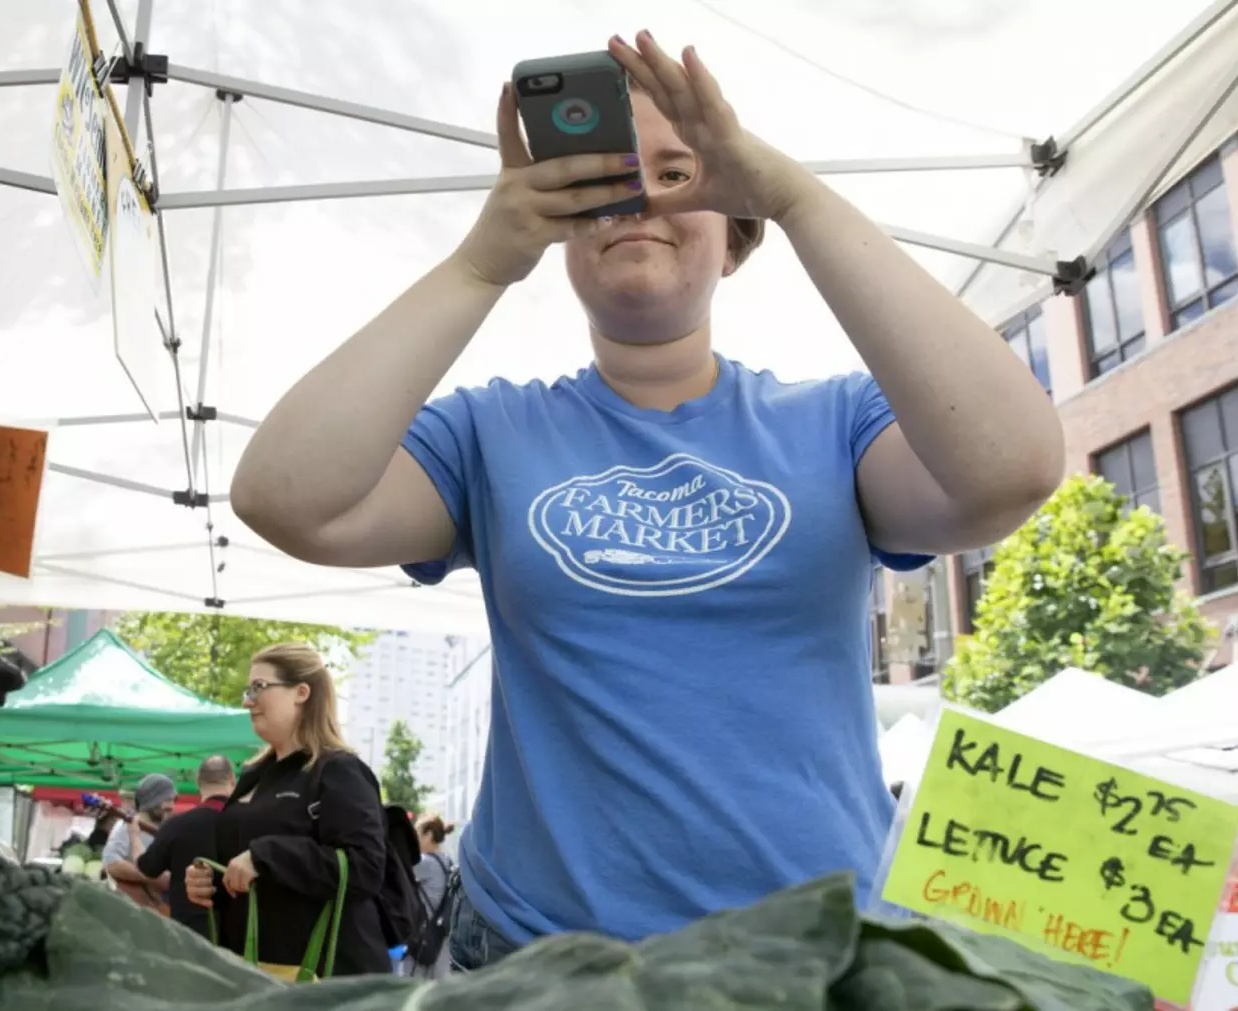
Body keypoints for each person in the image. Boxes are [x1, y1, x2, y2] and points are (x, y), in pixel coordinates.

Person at [228, 32, 1063, 970]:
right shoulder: (489, 433)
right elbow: (283, 497)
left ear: (737, 228)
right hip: (534, 968)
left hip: (806, 964)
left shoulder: (837, 423)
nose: (641, 200)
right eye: (601, 180)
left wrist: (792, 194)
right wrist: (481, 262)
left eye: (681, 172)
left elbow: (1013, 467)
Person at [184, 644, 392, 976]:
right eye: (248, 689)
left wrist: (266, 856)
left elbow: (365, 868)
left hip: (323, 980)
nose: (247, 700)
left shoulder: (339, 770)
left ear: (302, 692)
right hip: (251, 972)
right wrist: (210, 882)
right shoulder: (254, 776)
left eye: (259, 687)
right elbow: (246, 870)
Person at [132, 755, 239, 937]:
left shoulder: (177, 825)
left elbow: (147, 868)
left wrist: (133, 836)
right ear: (232, 780)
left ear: (198, 782)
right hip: (239, 934)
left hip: (190, 934)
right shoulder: (249, 822)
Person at [102, 773, 176, 915]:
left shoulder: (164, 830)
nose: (172, 806)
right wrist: (154, 876)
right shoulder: (127, 825)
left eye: (173, 800)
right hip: (134, 912)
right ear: (152, 801)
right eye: (167, 800)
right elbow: (111, 864)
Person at [409, 816, 459, 979]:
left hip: (422, 937)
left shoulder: (424, 863)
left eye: (417, 835)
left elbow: (396, 878)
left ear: (429, 835)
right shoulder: (448, 861)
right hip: (441, 937)